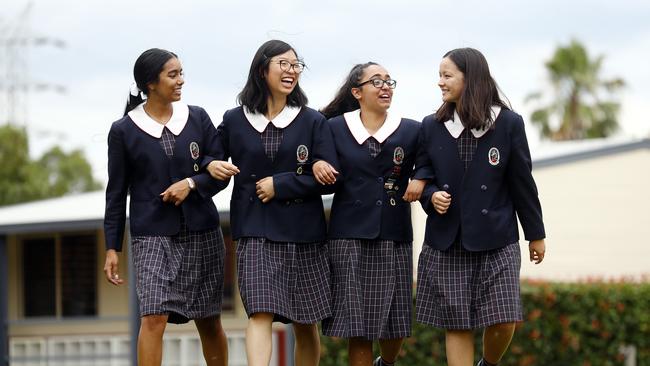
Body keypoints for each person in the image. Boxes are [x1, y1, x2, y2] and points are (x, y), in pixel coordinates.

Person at [205, 39, 337, 366]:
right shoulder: (235, 119)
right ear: (263, 69)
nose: (292, 71)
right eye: (284, 64)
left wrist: (282, 184)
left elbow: (331, 178)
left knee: (306, 321)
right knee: (260, 312)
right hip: (255, 230)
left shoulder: (313, 121)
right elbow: (214, 162)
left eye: (296, 65)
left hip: (304, 233)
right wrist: (206, 167)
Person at [414, 47, 547, 366]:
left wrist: (536, 234)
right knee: (457, 324)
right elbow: (422, 175)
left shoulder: (509, 123)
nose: (440, 83)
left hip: (497, 239)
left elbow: (522, 182)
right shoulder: (431, 126)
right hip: (448, 240)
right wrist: (430, 195)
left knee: (504, 320)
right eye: (439, 76)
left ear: (470, 78)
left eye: (447, 76)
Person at [103, 48, 229, 366]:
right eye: (173, 75)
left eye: (181, 73)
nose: (181, 80)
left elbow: (219, 173)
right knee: (153, 318)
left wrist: (192, 184)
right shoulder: (123, 130)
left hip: (202, 230)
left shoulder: (198, 117)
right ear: (150, 83)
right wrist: (112, 247)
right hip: (152, 236)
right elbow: (115, 194)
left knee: (209, 318)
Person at [315, 62, 427, 366]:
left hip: (394, 233)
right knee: (359, 329)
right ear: (357, 92)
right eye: (376, 81)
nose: (385, 86)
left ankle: (386, 363)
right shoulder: (334, 127)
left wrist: (420, 177)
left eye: (389, 81)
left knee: (395, 324)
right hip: (348, 235)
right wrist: (316, 164)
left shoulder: (412, 129)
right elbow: (317, 158)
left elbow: (428, 162)